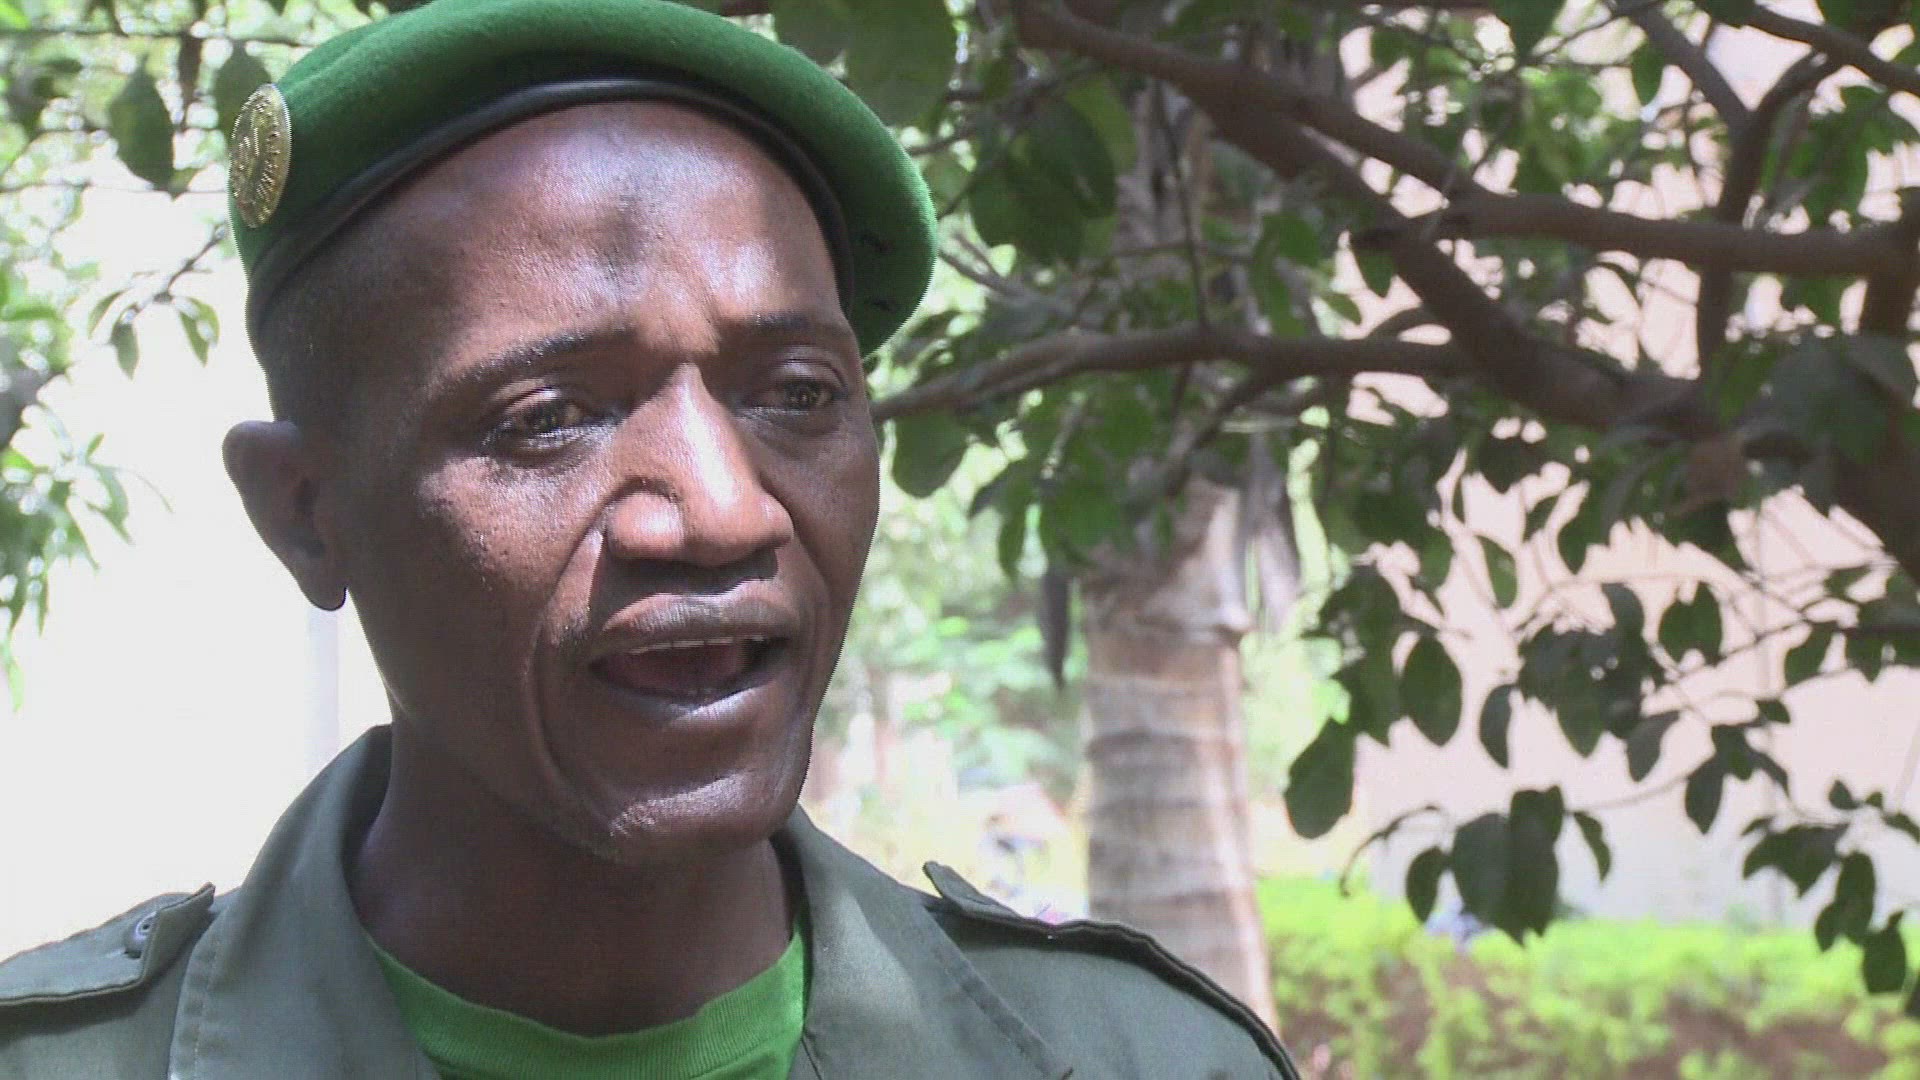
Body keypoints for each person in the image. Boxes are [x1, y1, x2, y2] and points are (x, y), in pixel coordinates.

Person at [0, 1, 1299, 1076]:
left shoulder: (1149, 1061)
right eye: (548, 419)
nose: (725, 512)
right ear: (305, 512)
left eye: (798, 395)